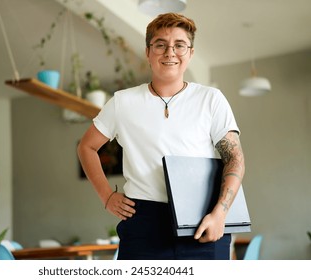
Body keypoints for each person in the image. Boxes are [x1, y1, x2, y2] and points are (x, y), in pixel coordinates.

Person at [77, 12, 245, 260]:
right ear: (148, 52)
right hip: (142, 223)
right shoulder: (122, 102)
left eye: (179, 45)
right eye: (160, 44)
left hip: (204, 219)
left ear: (190, 53)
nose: (170, 52)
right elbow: (86, 147)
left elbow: (235, 159)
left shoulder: (211, 99)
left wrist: (220, 212)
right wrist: (107, 196)